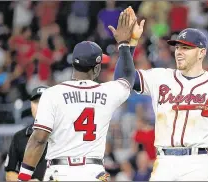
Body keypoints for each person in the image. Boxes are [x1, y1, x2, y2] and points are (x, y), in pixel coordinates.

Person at [114, 7, 208, 181]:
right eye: (177, 47)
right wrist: (128, 44)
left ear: (202, 52)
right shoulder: (160, 77)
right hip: (163, 161)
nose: (179, 52)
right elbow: (122, 79)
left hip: (199, 162)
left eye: (186, 48)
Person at [17, 11, 137, 181]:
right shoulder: (107, 92)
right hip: (93, 172)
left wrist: (24, 177)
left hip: (60, 172)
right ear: (96, 68)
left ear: (74, 64)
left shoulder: (52, 93)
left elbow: (38, 139)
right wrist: (125, 45)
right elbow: (127, 78)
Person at [5, 86, 48, 181]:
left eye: (44, 102)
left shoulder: (63, 135)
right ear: (31, 105)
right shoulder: (19, 137)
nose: (40, 106)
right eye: (36, 102)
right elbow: (10, 174)